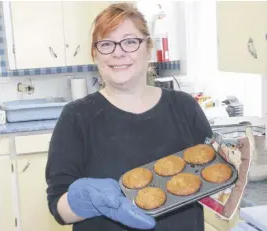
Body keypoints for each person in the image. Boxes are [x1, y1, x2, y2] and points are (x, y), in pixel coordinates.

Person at [45, 3, 213, 231]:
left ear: (148, 48)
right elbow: (58, 207)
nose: (118, 52)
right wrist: (81, 201)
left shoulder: (184, 107)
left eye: (130, 41)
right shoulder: (76, 117)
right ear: (95, 54)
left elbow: (212, 182)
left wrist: (235, 162)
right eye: (106, 44)